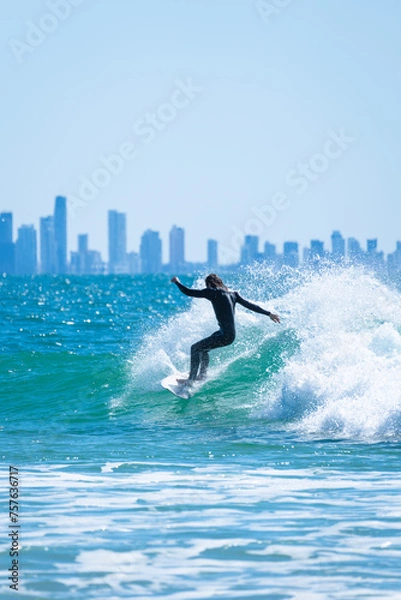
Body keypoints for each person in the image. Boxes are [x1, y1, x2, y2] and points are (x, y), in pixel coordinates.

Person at [171, 273, 280, 385]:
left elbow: (188, 292)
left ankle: (191, 380)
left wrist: (177, 282)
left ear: (209, 284)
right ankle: (202, 376)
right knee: (203, 349)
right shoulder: (233, 294)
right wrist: (268, 314)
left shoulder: (213, 292)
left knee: (195, 348)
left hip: (224, 336)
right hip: (229, 335)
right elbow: (250, 305)